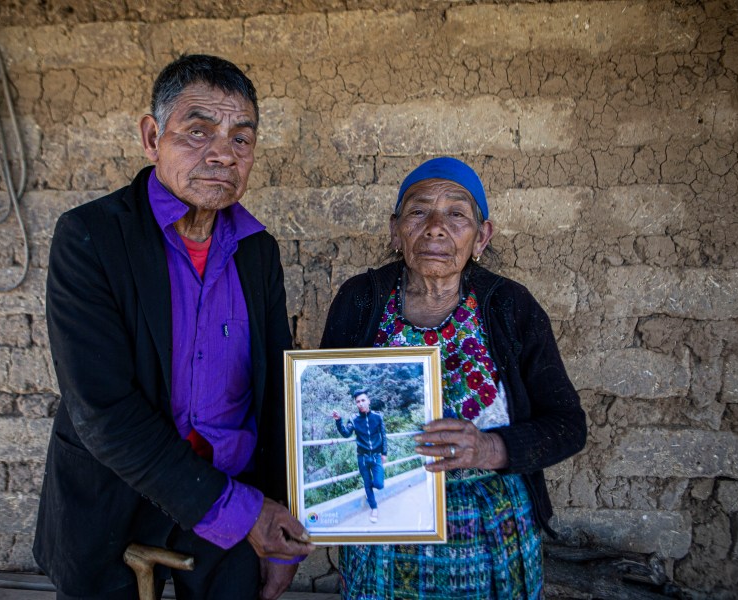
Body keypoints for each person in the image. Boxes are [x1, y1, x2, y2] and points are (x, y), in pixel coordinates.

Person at [33, 54, 313, 600]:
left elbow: (276, 397)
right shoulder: (90, 238)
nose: (221, 154)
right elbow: (103, 411)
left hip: (233, 513)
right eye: (197, 131)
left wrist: (275, 526)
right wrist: (241, 514)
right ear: (150, 136)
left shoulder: (258, 252)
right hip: (112, 505)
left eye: (241, 139)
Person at [321, 157, 587, 598]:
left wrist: (490, 447)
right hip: (386, 538)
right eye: (419, 211)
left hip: (491, 536)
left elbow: (568, 425)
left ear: (482, 236)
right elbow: (326, 388)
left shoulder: (510, 307)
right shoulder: (360, 300)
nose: (436, 227)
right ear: (395, 230)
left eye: (456, 214)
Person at [331, 390, 388, 523]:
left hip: (376, 456)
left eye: (363, 400)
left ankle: (370, 494)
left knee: (379, 484)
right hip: (362, 457)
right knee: (367, 483)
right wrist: (339, 421)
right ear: (356, 404)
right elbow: (346, 433)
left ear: (368, 401)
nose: (361, 404)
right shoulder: (354, 419)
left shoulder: (378, 417)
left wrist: (384, 453)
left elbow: (383, 435)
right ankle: (374, 508)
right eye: (358, 401)